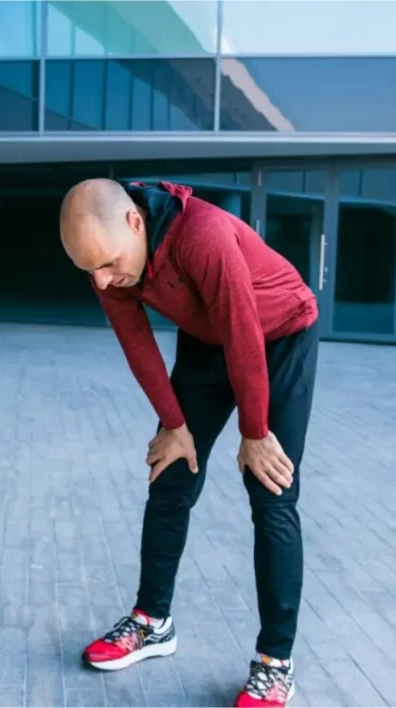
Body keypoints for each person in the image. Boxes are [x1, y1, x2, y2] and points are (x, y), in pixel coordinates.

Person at [58, 179, 320, 708]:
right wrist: (172, 423)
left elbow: (244, 329)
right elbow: (136, 342)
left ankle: (276, 663)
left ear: (135, 222)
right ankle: (153, 621)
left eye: (108, 264)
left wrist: (254, 432)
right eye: (91, 272)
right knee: (170, 470)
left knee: (271, 492)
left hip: (278, 336)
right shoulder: (104, 260)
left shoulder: (202, 234)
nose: (104, 282)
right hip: (209, 342)